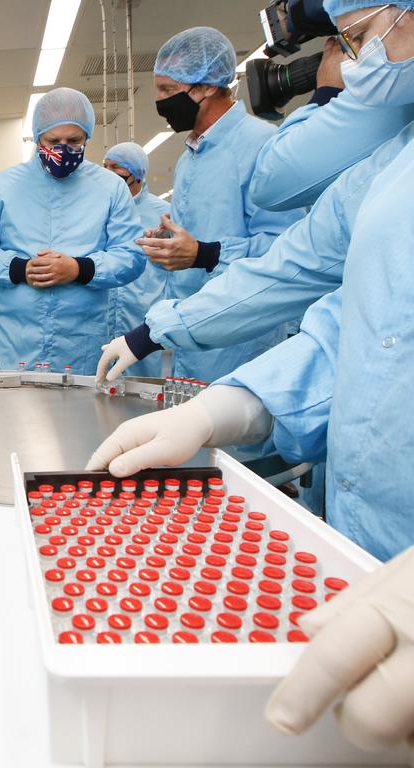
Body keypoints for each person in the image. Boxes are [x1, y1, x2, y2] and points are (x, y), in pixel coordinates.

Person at [90, 0, 414, 750]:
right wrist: (232, 403)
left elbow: (256, 259)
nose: (358, 61)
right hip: (361, 532)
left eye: (362, 39)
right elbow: (354, 319)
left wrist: (200, 270)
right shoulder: (393, 161)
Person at [99, 27, 303, 385]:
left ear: (207, 86)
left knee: (234, 438)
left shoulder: (262, 145)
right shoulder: (190, 156)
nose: (159, 101)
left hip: (241, 340)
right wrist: (169, 241)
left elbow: (287, 250)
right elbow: (199, 237)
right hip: (190, 334)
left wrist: (204, 254)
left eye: (166, 90)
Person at [0, 87, 145, 374]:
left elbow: (132, 256)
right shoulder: (5, 186)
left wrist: (79, 269)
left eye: (73, 141)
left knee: (79, 417)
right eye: (52, 140)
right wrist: (19, 269)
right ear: (37, 137)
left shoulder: (110, 189)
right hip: (14, 343)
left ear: (87, 137)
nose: (62, 149)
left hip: (80, 344)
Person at [250, 36, 414, 212]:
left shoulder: (388, 98)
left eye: (359, 34)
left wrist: (327, 91)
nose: (353, 52)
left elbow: (268, 183)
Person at [102, 142, 171, 378]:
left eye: (117, 167)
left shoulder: (163, 213)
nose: (109, 173)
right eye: (105, 166)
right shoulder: (99, 208)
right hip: (101, 313)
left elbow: (178, 267)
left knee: (142, 385)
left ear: (137, 173)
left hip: (141, 313)